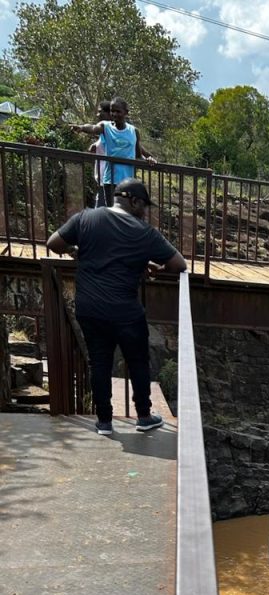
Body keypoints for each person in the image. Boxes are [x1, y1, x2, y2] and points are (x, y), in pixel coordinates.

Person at [46, 178, 186, 435]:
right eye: (144, 206)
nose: (145, 213)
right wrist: (156, 267)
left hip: (89, 308)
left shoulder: (86, 218)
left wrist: (76, 251)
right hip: (125, 312)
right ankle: (144, 416)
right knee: (138, 362)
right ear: (134, 201)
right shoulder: (144, 232)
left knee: (99, 362)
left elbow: (53, 243)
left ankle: (104, 422)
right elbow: (179, 264)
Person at [71, 97, 156, 207]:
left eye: (118, 111)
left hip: (127, 181)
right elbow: (93, 128)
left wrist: (148, 160)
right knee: (112, 210)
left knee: (126, 209)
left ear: (126, 113)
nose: (114, 114)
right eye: (112, 111)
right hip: (110, 180)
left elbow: (138, 156)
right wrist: (82, 128)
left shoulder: (133, 131)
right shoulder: (105, 126)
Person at [89, 100, 112, 208]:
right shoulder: (104, 133)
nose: (98, 115)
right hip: (103, 181)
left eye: (100, 111)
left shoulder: (113, 132)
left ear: (109, 114)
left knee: (100, 213)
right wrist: (95, 145)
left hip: (109, 180)